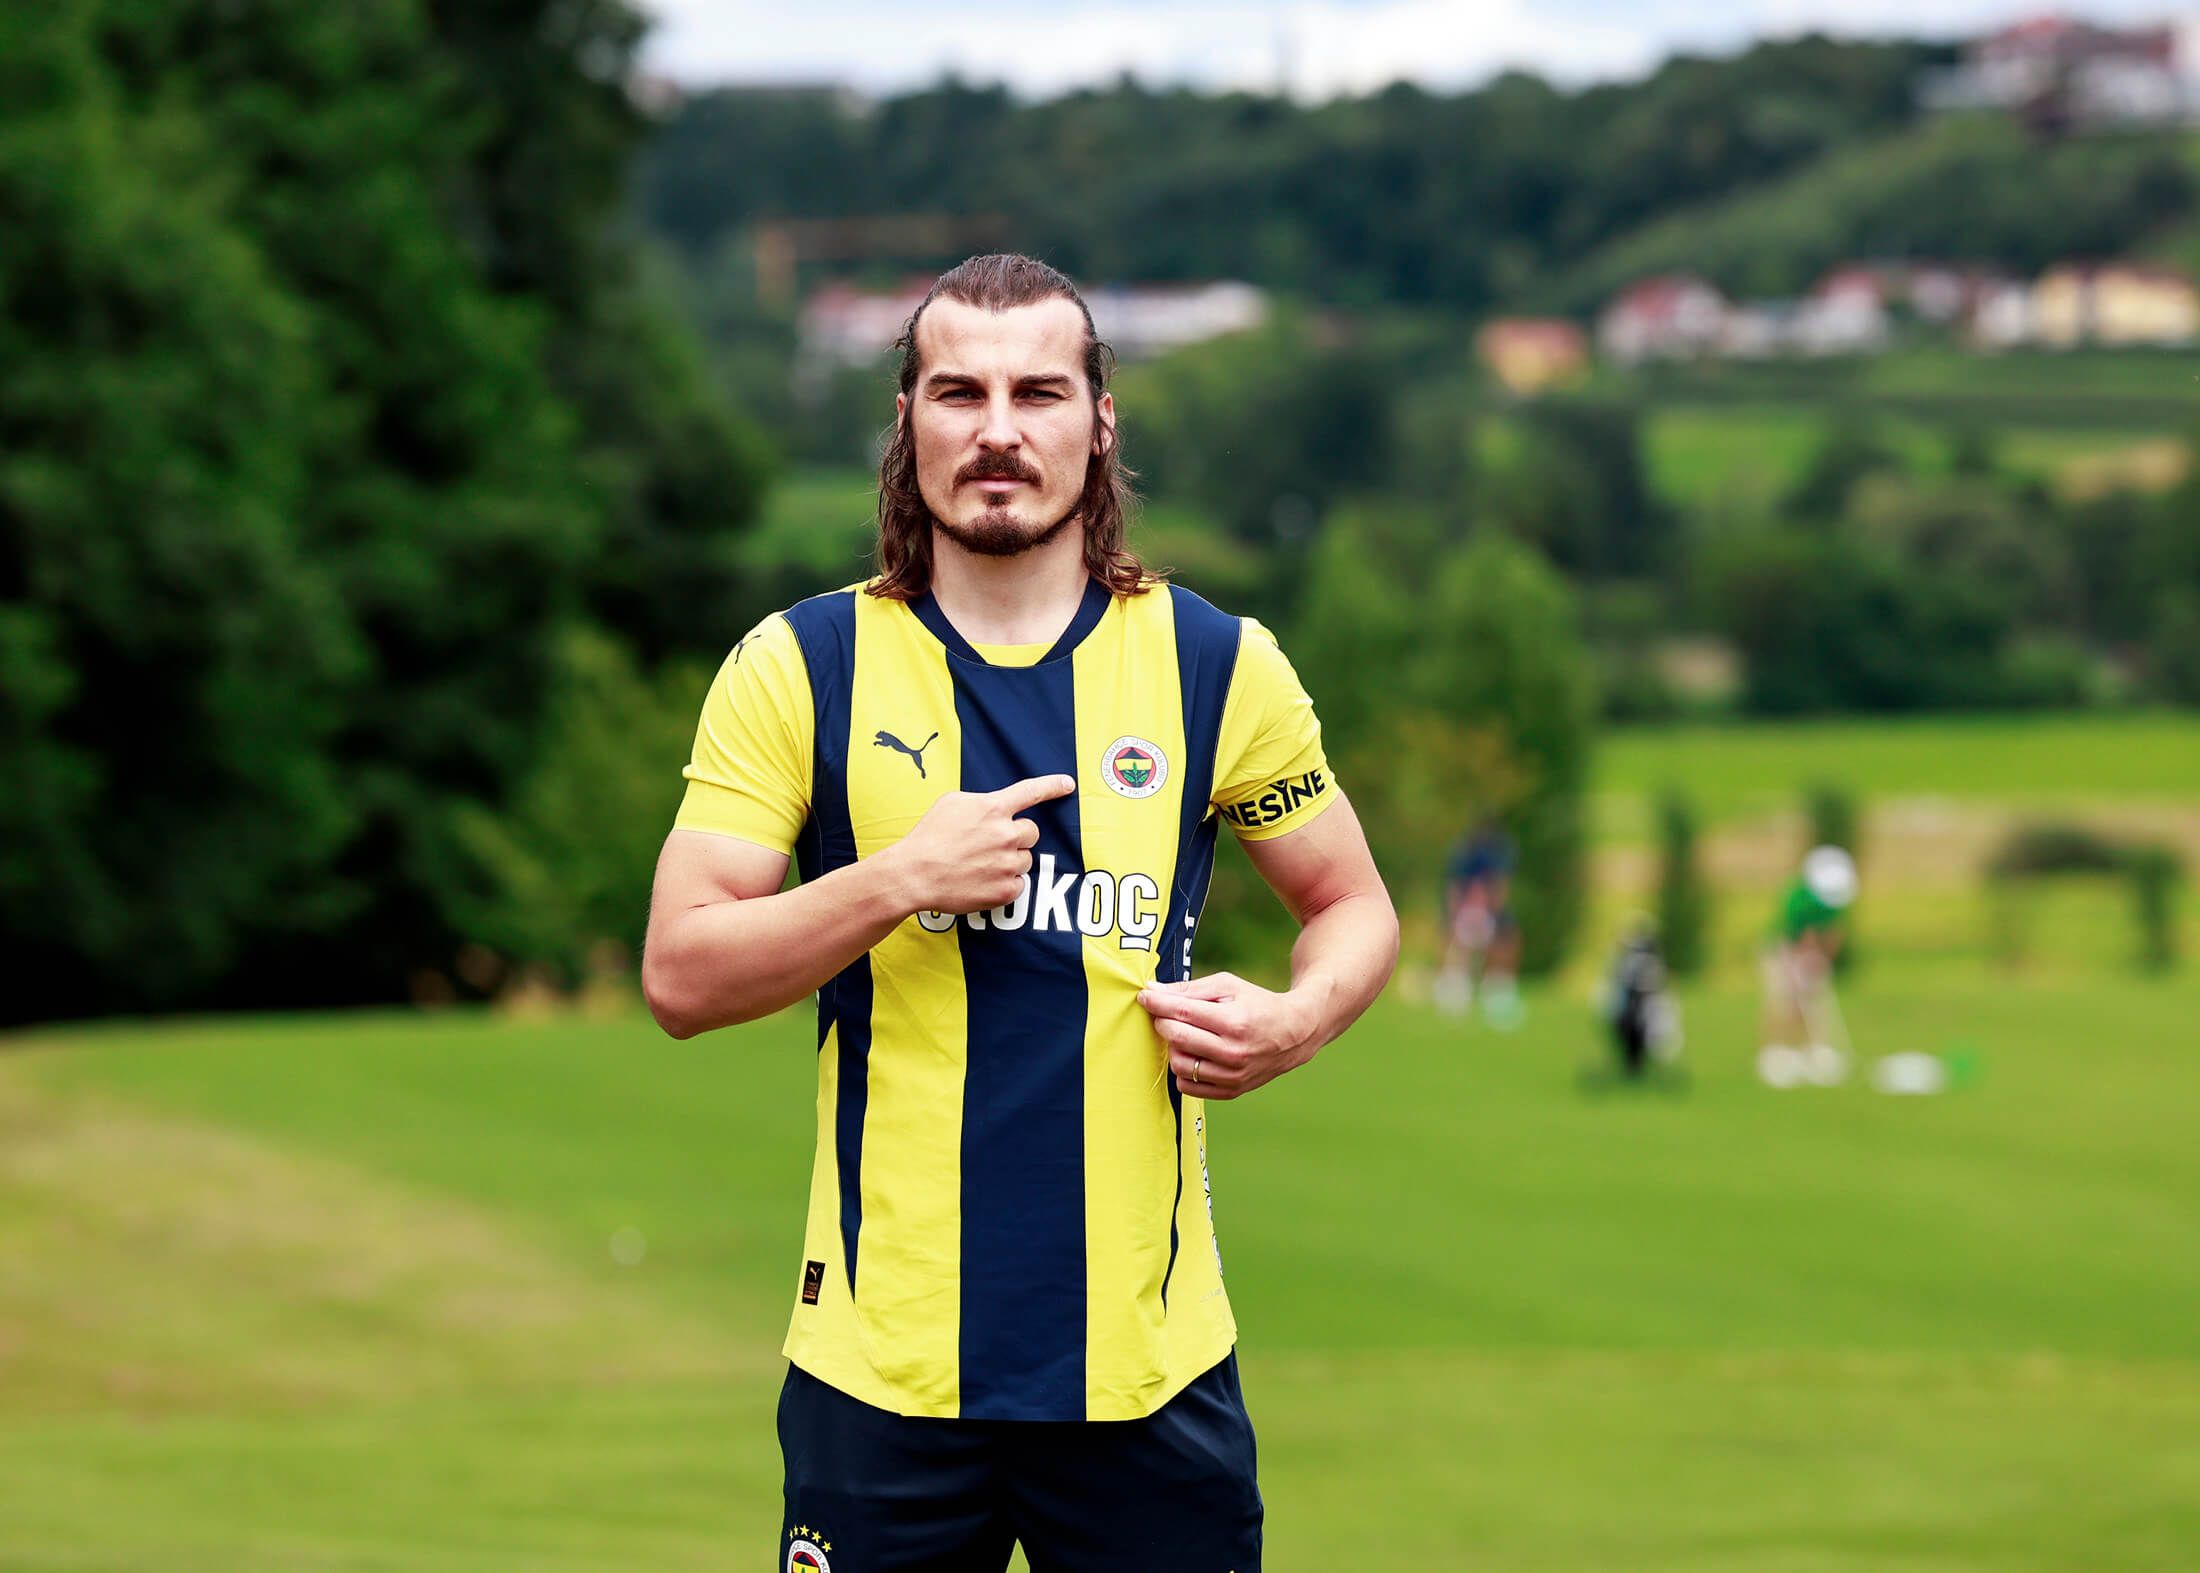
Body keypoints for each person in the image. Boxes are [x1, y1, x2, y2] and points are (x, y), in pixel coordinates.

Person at [642, 254, 1398, 1573]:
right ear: (908, 421)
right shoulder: (800, 667)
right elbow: (681, 972)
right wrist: (893, 879)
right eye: (960, 392)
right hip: (884, 1378)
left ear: (1098, 421)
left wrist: (1300, 1017)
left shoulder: (1215, 665)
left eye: (1037, 391)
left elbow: (1352, 907)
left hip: (1147, 1378)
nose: (998, 429)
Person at [1757, 845, 1858, 1089]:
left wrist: (1823, 960)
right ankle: (1775, 1054)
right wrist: (1799, 965)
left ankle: (1811, 1052)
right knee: (1783, 999)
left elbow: (1834, 932)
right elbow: (1793, 936)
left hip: (1810, 954)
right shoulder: (1798, 897)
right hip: (1781, 950)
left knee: (1813, 1002)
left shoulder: (1837, 898)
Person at [1432, 819, 1523, 1027]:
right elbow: (1454, 890)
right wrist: (1453, 918)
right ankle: (1455, 991)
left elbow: (1498, 888)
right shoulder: (1465, 859)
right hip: (1467, 913)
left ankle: (1496, 991)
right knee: (1457, 953)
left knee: (1504, 946)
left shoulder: (1489, 859)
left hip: (1487, 914)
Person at [1599, 917, 1682, 1083]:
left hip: (1643, 1014)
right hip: (1630, 1014)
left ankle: (1635, 1067)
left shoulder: (1641, 960)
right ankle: (1633, 1066)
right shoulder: (1636, 960)